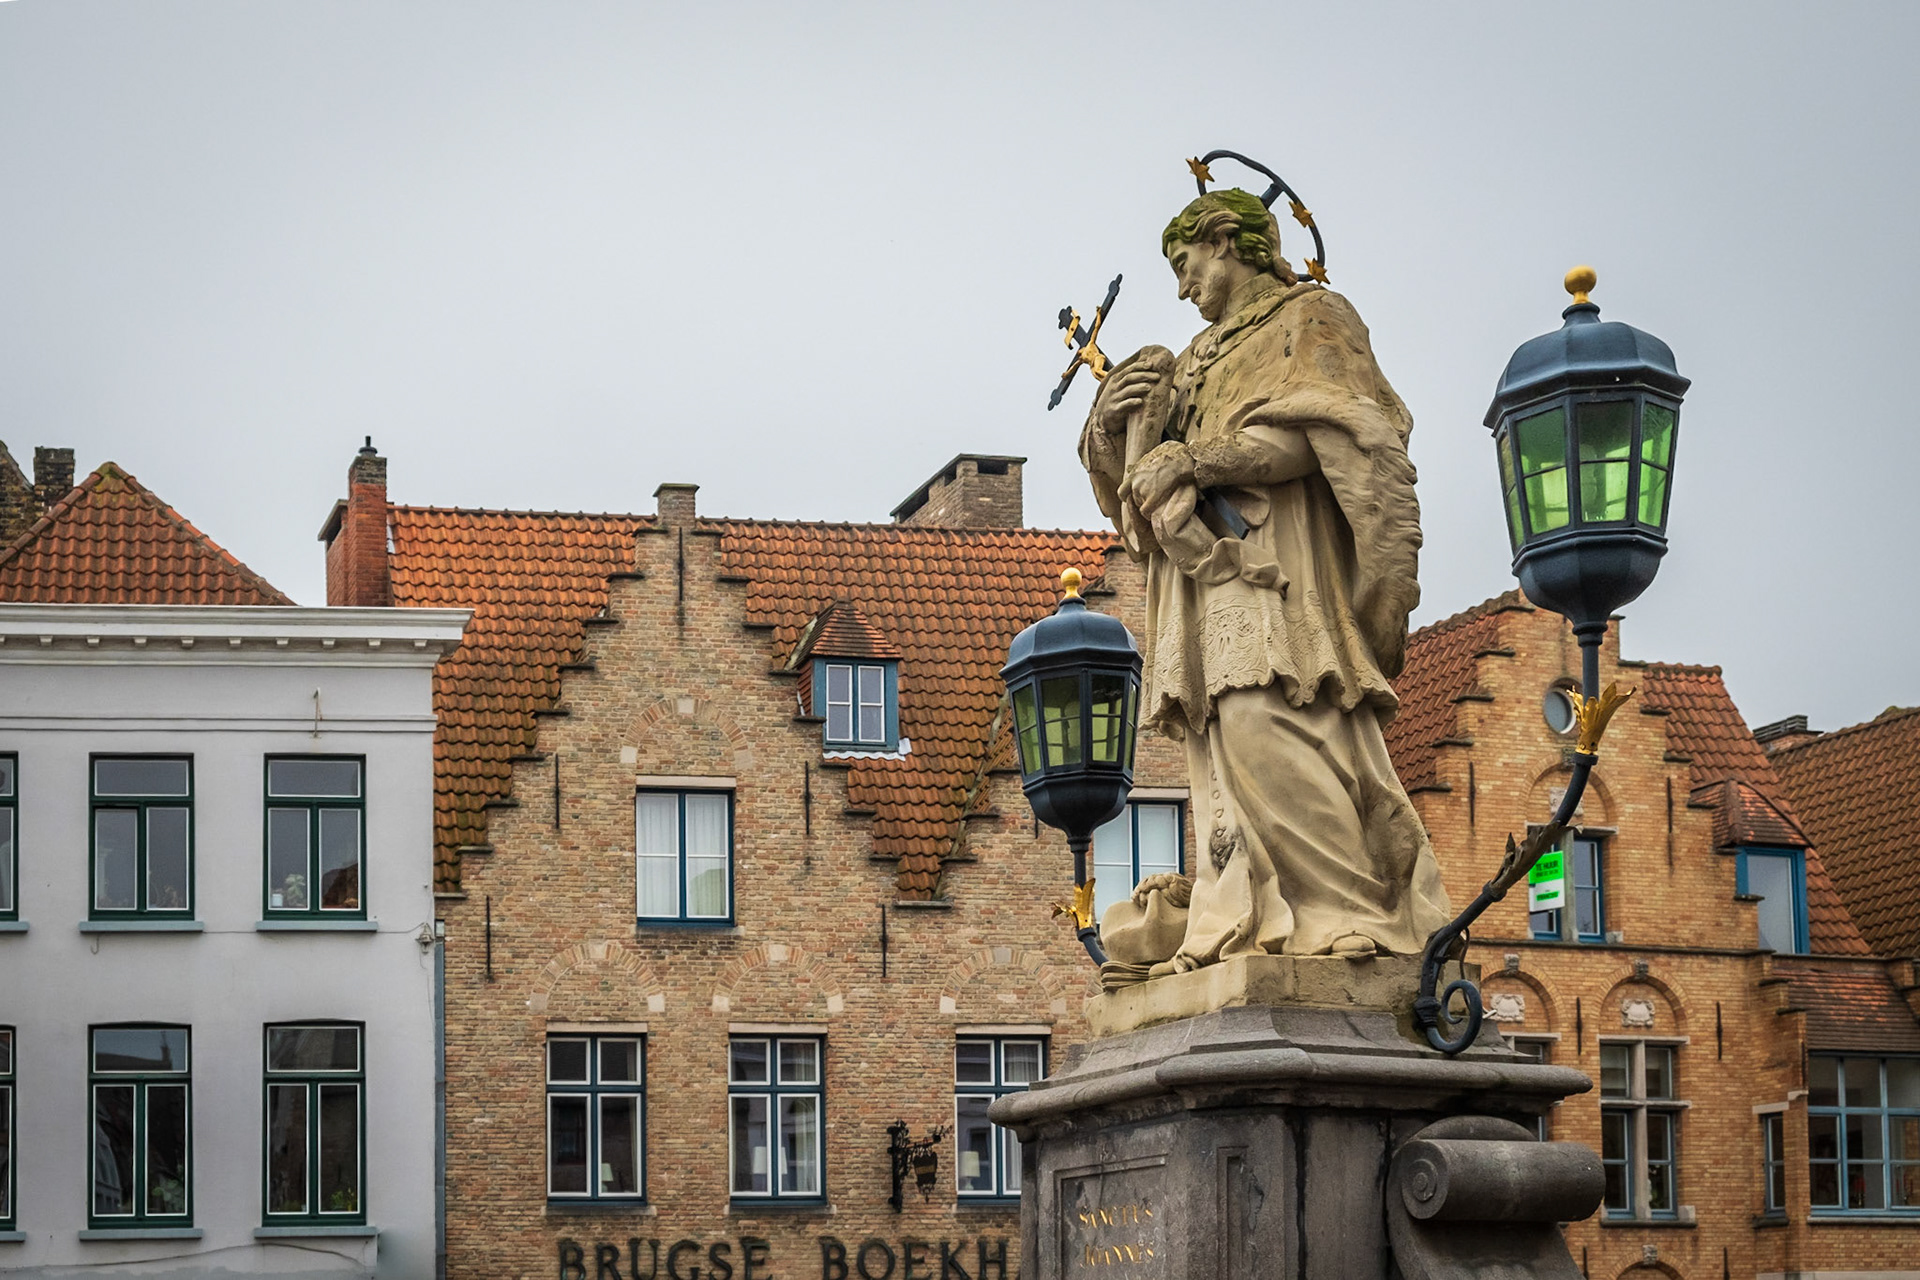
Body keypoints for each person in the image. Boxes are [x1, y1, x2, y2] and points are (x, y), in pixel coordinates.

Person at [1079, 187, 1450, 976]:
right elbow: (1138, 502)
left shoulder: (1312, 318)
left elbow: (1324, 433)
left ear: (1227, 240)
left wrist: (1196, 459)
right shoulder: (1194, 359)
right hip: (1204, 579)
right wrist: (1114, 428)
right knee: (1220, 736)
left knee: (1266, 712)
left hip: (1281, 567)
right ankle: (1247, 911)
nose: (1182, 288)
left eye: (1186, 265)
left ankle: (1347, 906)